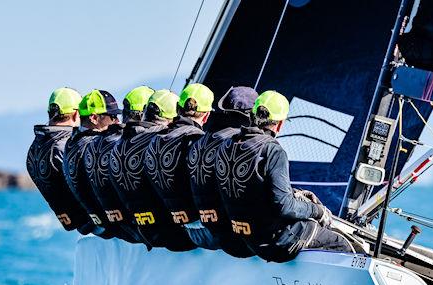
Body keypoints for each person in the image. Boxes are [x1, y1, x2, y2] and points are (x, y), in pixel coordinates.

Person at [215, 90, 351, 262]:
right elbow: (285, 206)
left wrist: (295, 195)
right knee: (342, 244)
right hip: (275, 242)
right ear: (279, 125)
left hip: (246, 240)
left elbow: (252, 188)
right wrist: (318, 211)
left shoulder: (226, 145)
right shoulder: (273, 150)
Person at [110, 89, 195, 251]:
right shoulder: (160, 141)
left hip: (140, 232)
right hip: (175, 235)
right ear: (172, 118)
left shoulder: (119, 143)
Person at [188, 86, 259, 257]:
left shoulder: (198, 139)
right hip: (228, 239)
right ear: (251, 115)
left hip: (193, 232)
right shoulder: (239, 144)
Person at [145, 83, 214, 249]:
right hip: (202, 232)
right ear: (205, 117)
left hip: (171, 230)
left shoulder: (156, 140)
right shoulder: (199, 140)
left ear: (178, 108)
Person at [83, 86, 155, 244]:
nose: (116, 121)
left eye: (118, 116)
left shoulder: (88, 145)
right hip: (142, 232)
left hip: (110, 228)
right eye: (112, 116)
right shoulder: (116, 143)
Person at [26, 87, 93, 234]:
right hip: (97, 226)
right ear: (76, 114)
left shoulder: (34, 149)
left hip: (78, 225)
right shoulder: (64, 145)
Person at [63, 89, 121, 239]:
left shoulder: (71, 142)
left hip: (95, 225)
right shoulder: (94, 145)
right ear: (94, 118)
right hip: (111, 227)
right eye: (113, 116)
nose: (118, 122)